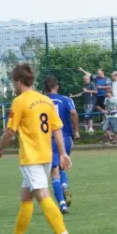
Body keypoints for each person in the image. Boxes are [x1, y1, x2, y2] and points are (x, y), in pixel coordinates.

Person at [0, 64, 75, 234]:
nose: (13, 84)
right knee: (26, 198)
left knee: (42, 197)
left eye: (13, 81)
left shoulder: (20, 101)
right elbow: (57, 128)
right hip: (46, 155)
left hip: (31, 158)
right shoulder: (45, 100)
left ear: (18, 81)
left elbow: (10, 131)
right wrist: (62, 153)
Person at [44, 75, 80, 214]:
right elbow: (73, 112)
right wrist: (76, 130)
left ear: (45, 88)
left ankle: (62, 204)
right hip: (65, 137)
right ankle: (65, 185)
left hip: (49, 139)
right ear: (57, 86)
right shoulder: (66, 99)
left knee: (54, 172)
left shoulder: (42, 101)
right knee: (63, 164)